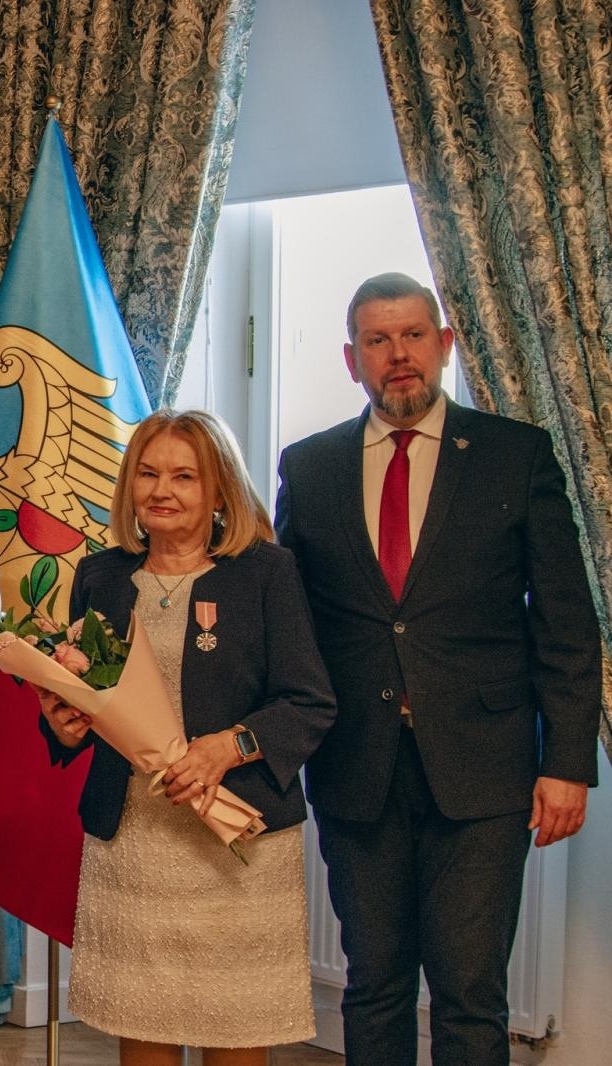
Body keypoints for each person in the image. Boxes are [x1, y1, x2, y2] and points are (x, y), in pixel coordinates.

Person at [275, 272, 601, 1065]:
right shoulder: (308, 466)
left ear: (445, 346)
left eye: (414, 336)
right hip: (357, 765)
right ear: (353, 360)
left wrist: (568, 764)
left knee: (468, 993)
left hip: (486, 772)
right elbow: (288, 624)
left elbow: (565, 620)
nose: (399, 357)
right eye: (378, 342)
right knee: (374, 985)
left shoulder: (514, 455)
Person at [38, 408, 335, 1066]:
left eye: (183, 476)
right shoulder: (101, 576)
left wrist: (229, 746)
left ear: (220, 490)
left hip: (234, 849)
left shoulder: (267, 573)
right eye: (147, 473)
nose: (161, 491)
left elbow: (310, 702)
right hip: (133, 845)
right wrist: (63, 726)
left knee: (231, 1034)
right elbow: (89, 701)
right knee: (140, 1023)